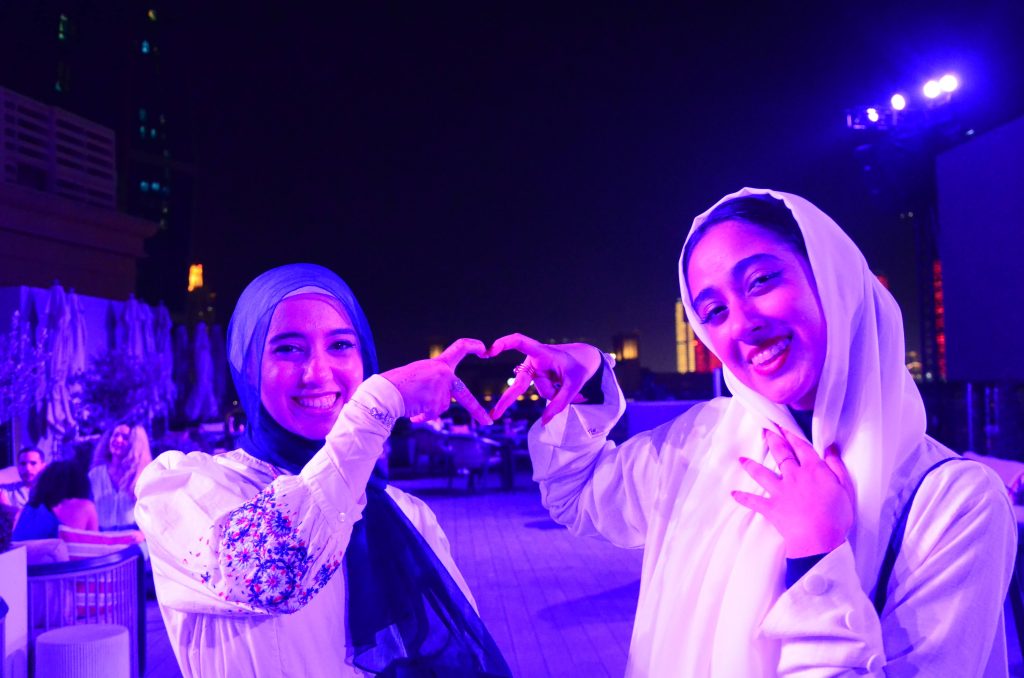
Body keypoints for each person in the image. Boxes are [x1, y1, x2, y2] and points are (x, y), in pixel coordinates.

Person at [488, 188, 1016, 676]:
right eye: (713, 311)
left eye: (761, 281)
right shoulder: (704, 440)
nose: (740, 324)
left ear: (832, 280)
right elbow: (579, 496)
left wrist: (817, 553)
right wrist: (583, 383)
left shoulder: (954, 502)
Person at [135, 263, 510, 677]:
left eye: (340, 346)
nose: (317, 373)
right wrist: (378, 406)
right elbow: (269, 571)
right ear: (247, 368)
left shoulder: (409, 515)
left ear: (364, 358)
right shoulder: (184, 489)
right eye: (288, 349)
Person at [89, 423, 153, 530]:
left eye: (125, 437)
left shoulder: (145, 477)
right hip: (102, 541)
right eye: (115, 435)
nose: (118, 440)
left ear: (136, 444)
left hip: (134, 541)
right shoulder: (95, 475)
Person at [12, 460, 98, 540]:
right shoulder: (86, 506)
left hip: (25, 555)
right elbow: (95, 547)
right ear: (81, 483)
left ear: (45, 481)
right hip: (66, 556)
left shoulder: (29, 509)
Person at [0, 447, 46, 518]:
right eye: (23, 464)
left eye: (33, 463)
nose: (27, 468)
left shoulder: (53, 492)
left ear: (43, 466)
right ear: (18, 467)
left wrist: (9, 510)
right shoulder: (6, 491)